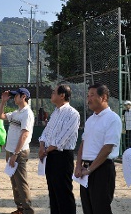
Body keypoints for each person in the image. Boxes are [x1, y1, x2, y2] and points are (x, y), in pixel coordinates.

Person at [74, 83, 122, 214]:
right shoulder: (90, 120)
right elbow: (83, 144)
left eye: (92, 95)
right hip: (86, 169)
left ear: (104, 97)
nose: (88, 99)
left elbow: (107, 148)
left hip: (102, 169)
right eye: (88, 96)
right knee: (88, 208)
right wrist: (78, 165)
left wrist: (90, 169)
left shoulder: (112, 119)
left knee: (101, 208)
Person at [38, 84, 80, 214]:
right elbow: (46, 132)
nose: (52, 94)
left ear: (62, 95)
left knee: (63, 191)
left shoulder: (73, 113)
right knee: (53, 190)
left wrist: (46, 150)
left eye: (54, 92)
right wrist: (41, 146)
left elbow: (63, 138)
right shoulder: (55, 112)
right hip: (50, 156)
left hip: (62, 156)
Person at [0, 88, 35, 214]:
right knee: (14, 181)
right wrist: (3, 102)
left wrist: (15, 154)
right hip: (11, 151)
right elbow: (0, 116)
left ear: (23, 96)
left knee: (21, 182)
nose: (14, 98)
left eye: (15, 96)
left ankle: (28, 210)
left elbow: (24, 135)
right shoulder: (16, 113)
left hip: (18, 152)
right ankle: (20, 208)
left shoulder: (27, 114)